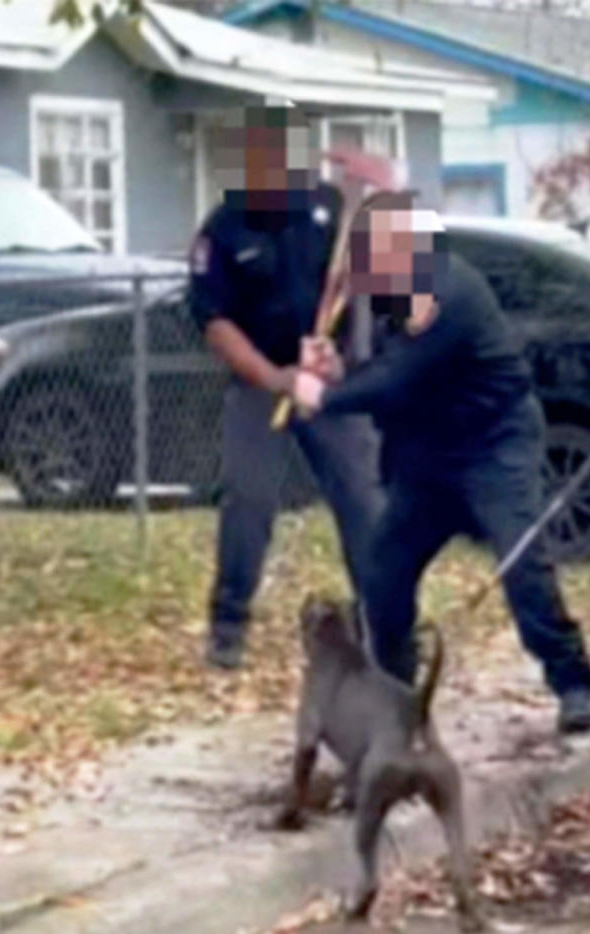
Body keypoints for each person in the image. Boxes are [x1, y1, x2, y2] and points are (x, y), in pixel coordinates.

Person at [288, 196, 590, 734]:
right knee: (383, 572)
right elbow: (386, 371)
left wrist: (324, 395)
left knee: (521, 563)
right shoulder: (392, 293)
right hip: (428, 454)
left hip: (493, 444)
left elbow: (397, 378)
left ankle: (571, 681)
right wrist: (339, 370)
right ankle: (395, 693)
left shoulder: (448, 291)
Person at [187, 106, 384, 669]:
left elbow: (358, 290)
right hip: (260, 383)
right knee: (248, 501)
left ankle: (385, 622)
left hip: (327, 381)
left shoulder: (328, 208)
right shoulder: (224, 229)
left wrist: (338, 357)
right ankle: (228, 626)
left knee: (365, 501)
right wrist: (274, 378)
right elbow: (216, 324)